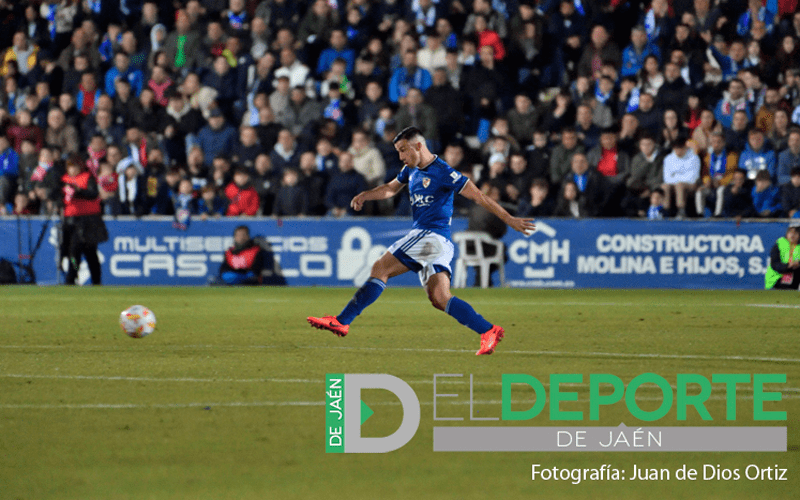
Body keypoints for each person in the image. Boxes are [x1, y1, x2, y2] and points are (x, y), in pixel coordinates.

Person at [307, 127, 536, 355]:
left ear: (418, 146)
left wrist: (510, 219)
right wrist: (366, 195)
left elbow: (480, 197)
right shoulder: (410, 169)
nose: (401, 157)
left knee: (380, 267)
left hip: (429, 236)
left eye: (403, 150)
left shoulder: (444, 172)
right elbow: (389, 189)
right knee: (439, 298)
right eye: (398, 152)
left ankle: (342, 320)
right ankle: (488, 330)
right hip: (438, 243)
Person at [60, 156, 108, 285]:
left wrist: (78, 191)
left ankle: (96, 280)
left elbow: (93, 194)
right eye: (70, 167)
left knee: (90, 253)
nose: (72, 169)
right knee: (73, 253)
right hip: (71, 221)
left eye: (75, 166)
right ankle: (72, 277)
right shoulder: (64, 180)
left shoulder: (87, 178)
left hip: (88, 221)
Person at [764, 223, 800, 290]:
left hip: (794, 275)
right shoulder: (780, 243)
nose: (792, 235)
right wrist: (787, 266)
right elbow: (774, 264)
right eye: (790, 232)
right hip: (778, 278)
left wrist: (798, 263)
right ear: (787, 233)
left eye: (796, 233)